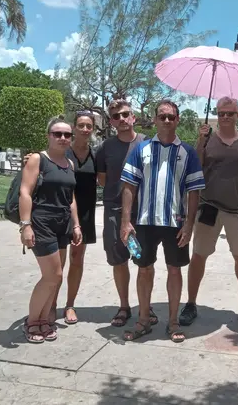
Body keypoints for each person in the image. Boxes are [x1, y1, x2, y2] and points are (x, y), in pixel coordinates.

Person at [120, 99, 205, 343]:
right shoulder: (141, 149)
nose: (167, 120)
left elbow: (194, 191)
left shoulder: (187, 152)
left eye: (171, 117)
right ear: (155, 119)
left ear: (177, 120)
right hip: (144, 221)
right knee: (144, 269)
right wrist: (126, 221)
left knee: (174, 270)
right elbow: (129, 186)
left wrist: (189, 224)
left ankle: (173, 321)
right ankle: (143, 320)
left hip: (175, 223)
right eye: (162, 116)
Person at [179, 97, 238, 326]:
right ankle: (191, 303)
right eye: (221, 113)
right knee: (199, 256)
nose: (225, 117)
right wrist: (200, 140)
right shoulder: (208, 140)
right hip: (209, 207)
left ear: (237, 115)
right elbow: (195, 167)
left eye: (229, 113)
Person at [19, 117, 82, 343]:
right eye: (57, 134)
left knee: (56, 277)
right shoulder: (38, 159)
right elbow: (25, 192)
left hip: (62, 223)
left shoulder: (69, 164)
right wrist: (25, 225)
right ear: (49, 136)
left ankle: (44, 319)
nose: (63, 138)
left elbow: (70, 197)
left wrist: (76, 224)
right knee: (52, 275)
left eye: (67, 135)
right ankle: (32, 321)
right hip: (42, 222)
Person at [95, 100, 151, 328]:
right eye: (116, 116)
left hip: (142, 212)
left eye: (126, 114)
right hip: (114, 211)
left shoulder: (147, 143)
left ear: (133, 117)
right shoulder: (105, 148)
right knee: (119, 260)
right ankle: (124, 306)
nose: (122, 119)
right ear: (111, 122)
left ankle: (145, 307)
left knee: (144, 261)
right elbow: (102, 179)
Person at [59, 111, 98, 324]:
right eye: (81, 125)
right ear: (74, 127)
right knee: (58, 263)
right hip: (61, 211)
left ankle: (70, 305)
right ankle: (50, 305)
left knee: (76, 259)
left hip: (85, 214)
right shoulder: (62, 152)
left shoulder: (96, 155)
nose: (84, 129)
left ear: (93, 129)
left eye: (88, 126)